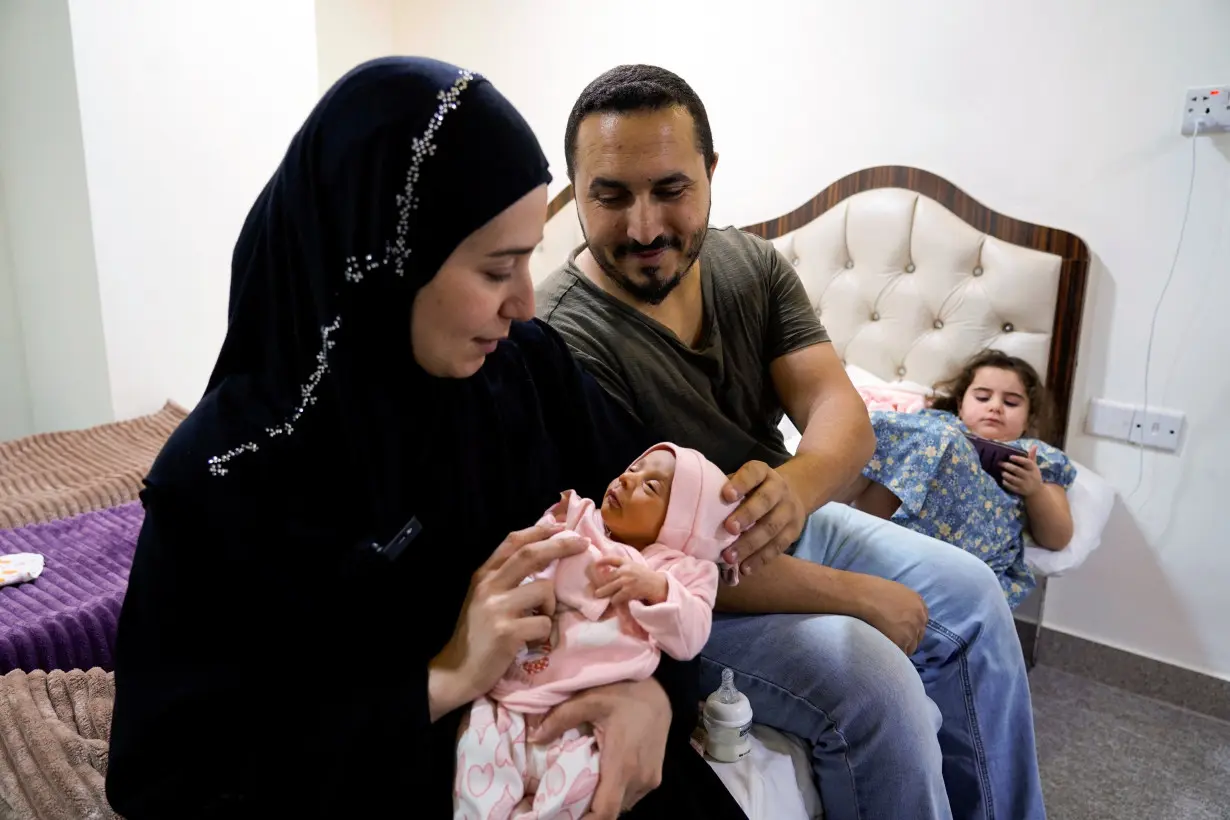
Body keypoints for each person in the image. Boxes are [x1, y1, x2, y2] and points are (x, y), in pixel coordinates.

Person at [105, 58, 750, 820]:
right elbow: (166, 778)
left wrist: (653, 694)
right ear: (384, 262)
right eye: (495, 268)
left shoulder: (528, 373)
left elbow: (666, 547)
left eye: (529, 260)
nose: (523, 303)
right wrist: (444, 676)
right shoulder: (229, 479)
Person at [538, 64, 1047, 820]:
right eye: (610, 196)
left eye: (671, 189)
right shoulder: (561, 341)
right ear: (575, 194)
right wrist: (857, 597)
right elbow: (629, 559)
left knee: (975, 594)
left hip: (787, 527)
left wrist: (799, 487)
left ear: (711, 174)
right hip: (680, 590)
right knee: (874, 682)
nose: (643, 227)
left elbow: (839, 408)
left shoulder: (750, 267)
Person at [455, 442, 737, 819]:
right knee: (477, 751)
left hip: (585, 718)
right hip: (515, 689)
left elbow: (691, 636)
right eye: (633, 468)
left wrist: (656, 587)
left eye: (651, 487)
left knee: (582, 782)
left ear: (682, 526)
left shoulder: (682, 571)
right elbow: (528, 557)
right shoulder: (578, 517)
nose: (626, 479)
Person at [847, 350, 1076, 608]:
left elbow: (1059, 537)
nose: (995, 407)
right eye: (982, 397)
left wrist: (1035, 490)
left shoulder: (1038, 456)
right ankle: (812, 518)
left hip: (976, 536)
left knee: (946, 441)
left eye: (1011, 403)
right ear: (960, 404)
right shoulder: (935, 424)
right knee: (870, 430)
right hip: (899, 521)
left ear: (1029, 418)